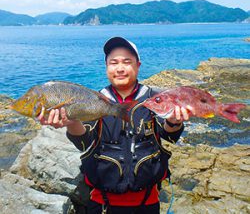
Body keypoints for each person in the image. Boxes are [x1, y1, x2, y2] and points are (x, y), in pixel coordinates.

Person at [38, 37, 193, 214]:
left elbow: (169, 135)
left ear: (138, 65)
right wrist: (71, 121)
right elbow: (83, 142)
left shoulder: (154, 99)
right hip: (103, 204)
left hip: (148, 203)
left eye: (127, 62)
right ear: (106, 67)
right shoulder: (93, 100)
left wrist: (174, 121)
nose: (120, 68)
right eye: (113, 63)